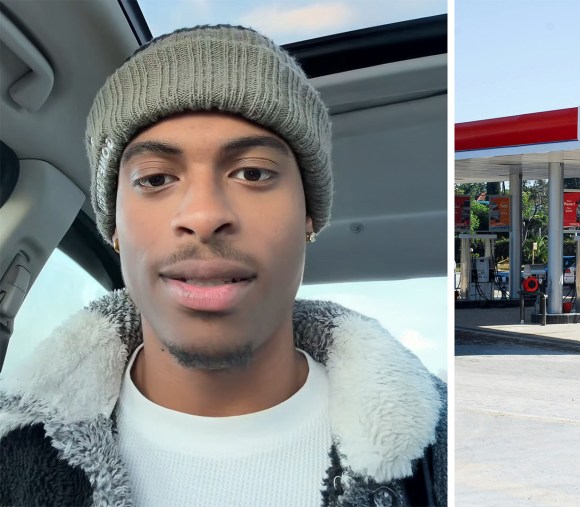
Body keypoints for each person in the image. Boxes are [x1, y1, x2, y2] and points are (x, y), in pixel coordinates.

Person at [0, 25, 446, 507]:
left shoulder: (442, 453)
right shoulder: (11, 454)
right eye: (155, 179)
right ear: (114, 230)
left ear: (309, 217)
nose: (204, 216)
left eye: (252, 172)